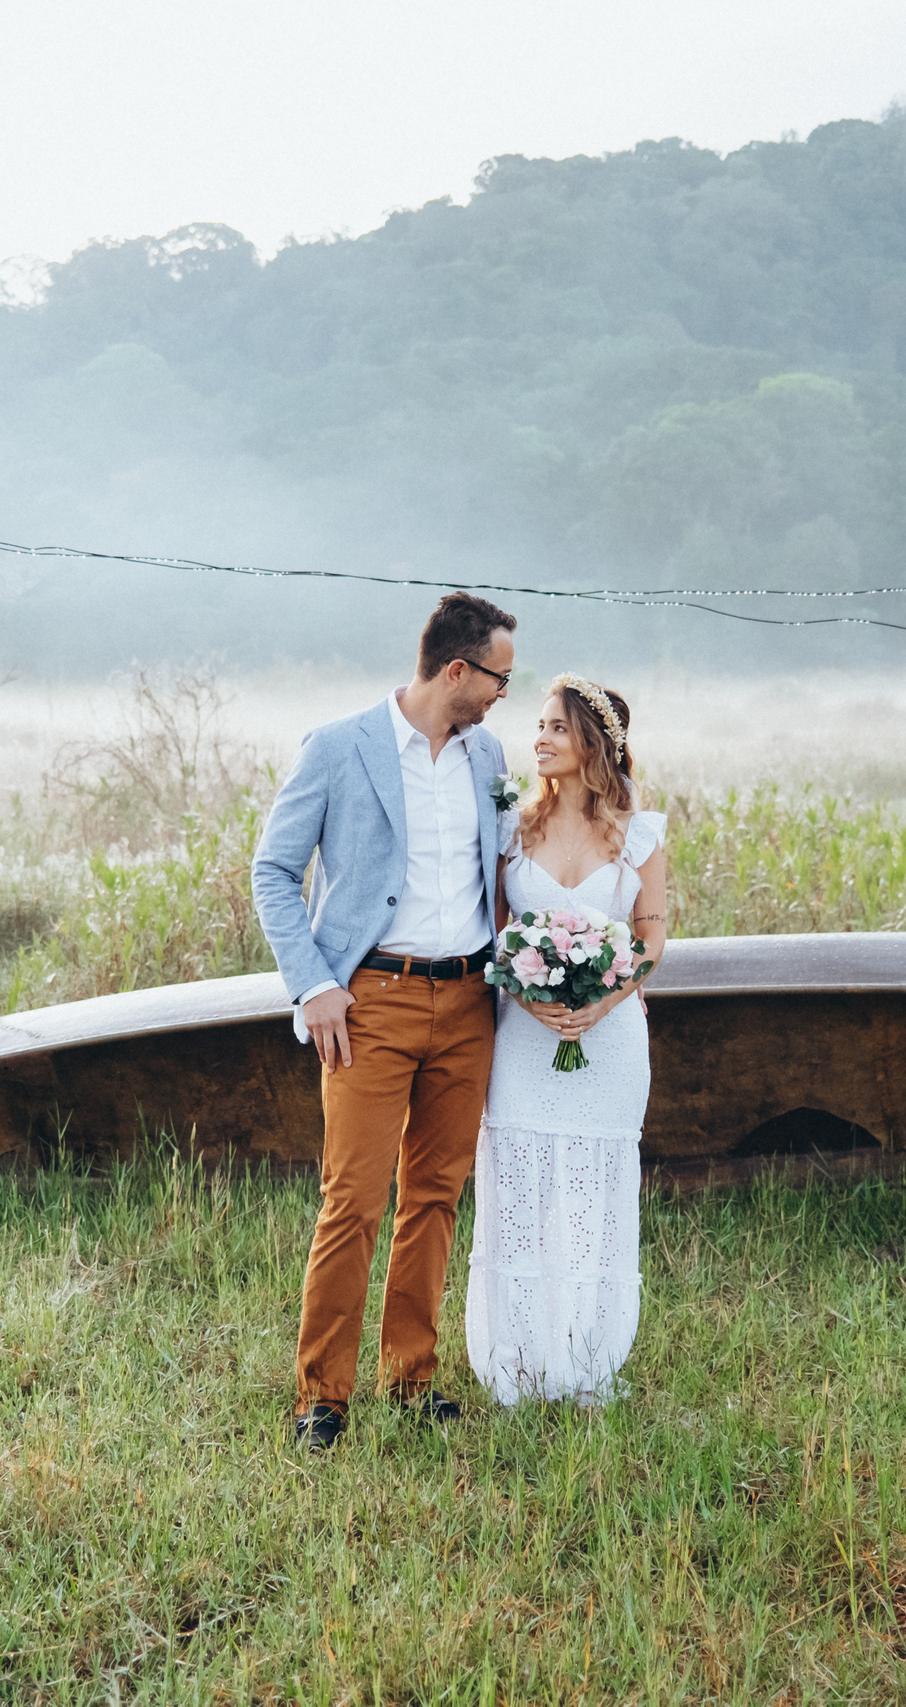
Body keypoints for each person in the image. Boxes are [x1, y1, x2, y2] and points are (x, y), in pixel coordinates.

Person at [251, 591, 519, 1453]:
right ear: (455, 669)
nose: (504, 693)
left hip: (471, 1002)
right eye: (498, 677)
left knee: (436, 1197)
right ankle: (322, 1396)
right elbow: (273, 870)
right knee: (354, 1200)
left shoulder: (489, 756)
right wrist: (312, 985)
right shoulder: (340, 747)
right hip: (370, 1002)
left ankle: (413, 1378)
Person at [464, 676, 668, 1408]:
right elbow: (489, 933)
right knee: (519, 1185)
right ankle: (518, 1362)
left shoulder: (639, 835)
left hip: (610, 1043)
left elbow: (651, 936)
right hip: (522, 1038)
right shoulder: (512, 827)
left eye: (555, 727)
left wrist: (600, 1002)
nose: (539, 738)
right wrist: (533, 996)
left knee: (594, 1195)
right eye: (539, 725)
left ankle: (585, 1359)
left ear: (593, 743)